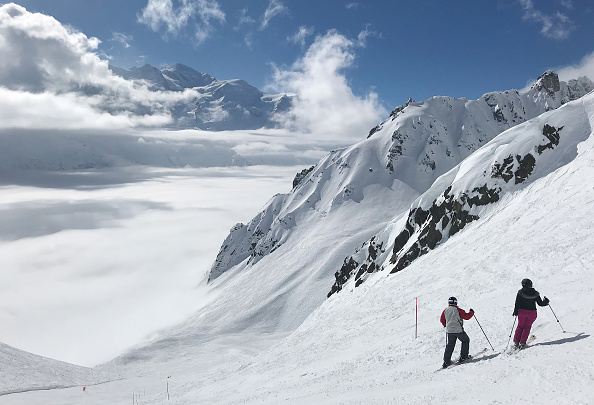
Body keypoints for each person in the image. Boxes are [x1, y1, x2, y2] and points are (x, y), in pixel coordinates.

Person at [512, 278, 549, 349]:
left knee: (520, 327)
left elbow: (517, 303)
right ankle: (522, 343)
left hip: (522, 312)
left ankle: (516, 342)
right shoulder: (535, 293)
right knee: (527, 327)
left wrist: (515, 311)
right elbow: (540, 303)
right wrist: (546, 302)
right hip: (532, 313)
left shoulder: (520, 292)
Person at [440, 296, 474, 368]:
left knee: (450, 345)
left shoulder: (445, 310)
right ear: (456, 302)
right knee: (465, 340)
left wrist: (446, 325)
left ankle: (446, 361)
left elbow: (442, 320)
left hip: (449, 330)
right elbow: (466, 316)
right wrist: (471, 312)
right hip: (458, 330)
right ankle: (463, 357)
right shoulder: (458, 310)